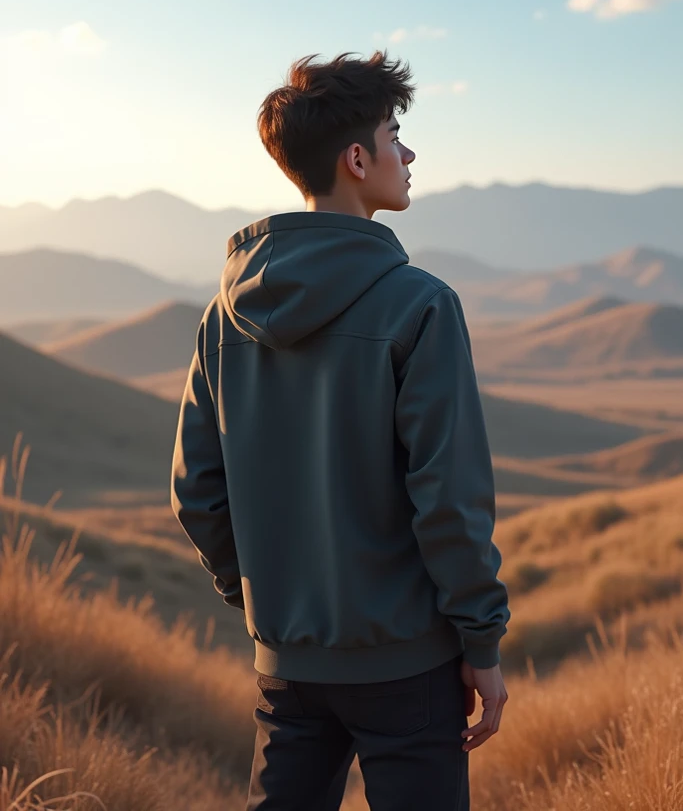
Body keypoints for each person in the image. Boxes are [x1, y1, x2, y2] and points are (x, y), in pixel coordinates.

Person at [170, 50, 510, 811]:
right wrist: (480, 643)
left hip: (287, 666)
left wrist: (270, 601)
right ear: (357, 159)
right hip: (409, 668)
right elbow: (448, 498)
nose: (408, 153)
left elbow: (196, 493)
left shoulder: (221, 315)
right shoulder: (418, 305)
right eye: (395, 135)